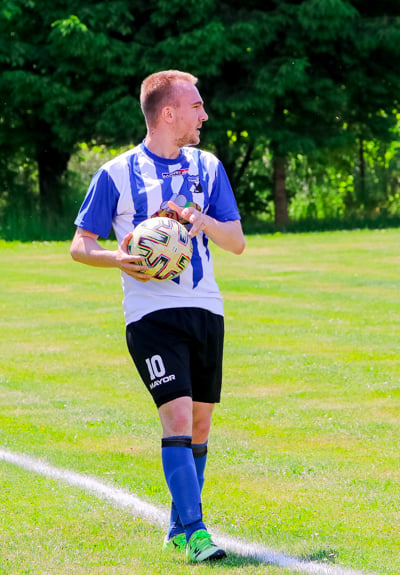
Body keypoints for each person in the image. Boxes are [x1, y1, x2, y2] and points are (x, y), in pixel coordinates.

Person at [70, 70, 245, 561]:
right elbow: (80, 246)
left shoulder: (208, 168)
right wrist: (118, 259)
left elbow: (236, 242)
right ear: (168, 113)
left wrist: (202, 220)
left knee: (202, 427)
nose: (204, 115)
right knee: (178, 416)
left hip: (205, 308)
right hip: (150, 315)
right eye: (196, 106)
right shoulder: (116, 173)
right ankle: (195, 532)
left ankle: (176, 523)